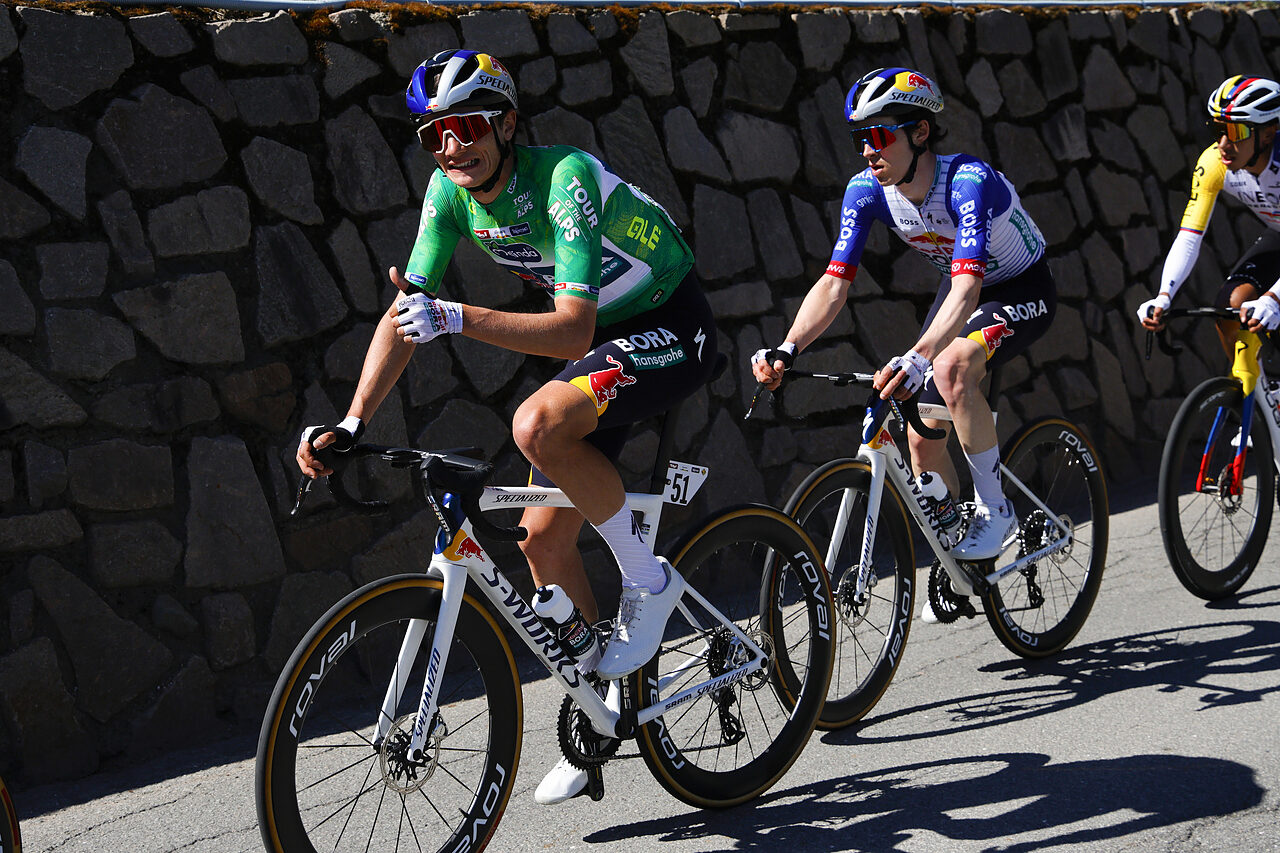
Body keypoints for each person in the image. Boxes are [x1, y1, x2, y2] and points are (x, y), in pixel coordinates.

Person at [296, 50, 718, 804]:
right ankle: (599, 717)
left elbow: (570, 327)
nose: (452, 147)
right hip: (607, 347)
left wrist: (455, 317)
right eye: (435, 135)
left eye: (466, 127)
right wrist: (355, 420)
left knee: (535, 422)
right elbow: (405, 315)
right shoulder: (448, 194)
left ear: (507, 123)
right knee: (541, 538)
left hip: (670, 323)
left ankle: (647, 584)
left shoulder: (564, 178)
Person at [751, 67, 1057, 609]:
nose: (866, 151)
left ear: (919, 133)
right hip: (965, 288)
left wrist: (920, 356)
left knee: (951, 368)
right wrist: (787, 347)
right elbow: (833, 284)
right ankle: (964, 550)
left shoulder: (967, 181)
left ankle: (995, 509)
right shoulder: (867, 191)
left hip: (1017, 284)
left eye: (878, 135)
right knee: (919, 432)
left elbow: (967, 288)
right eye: (858, 139)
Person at [1138, 75, 1280, 341]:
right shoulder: (1214, 162)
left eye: (1236, 132)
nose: (1223, 145)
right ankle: (1248, 382)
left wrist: (1273, 298)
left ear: (1268, 134)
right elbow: (1189, 238)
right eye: (1218, 130)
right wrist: (1164, 296)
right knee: (1231, 307)